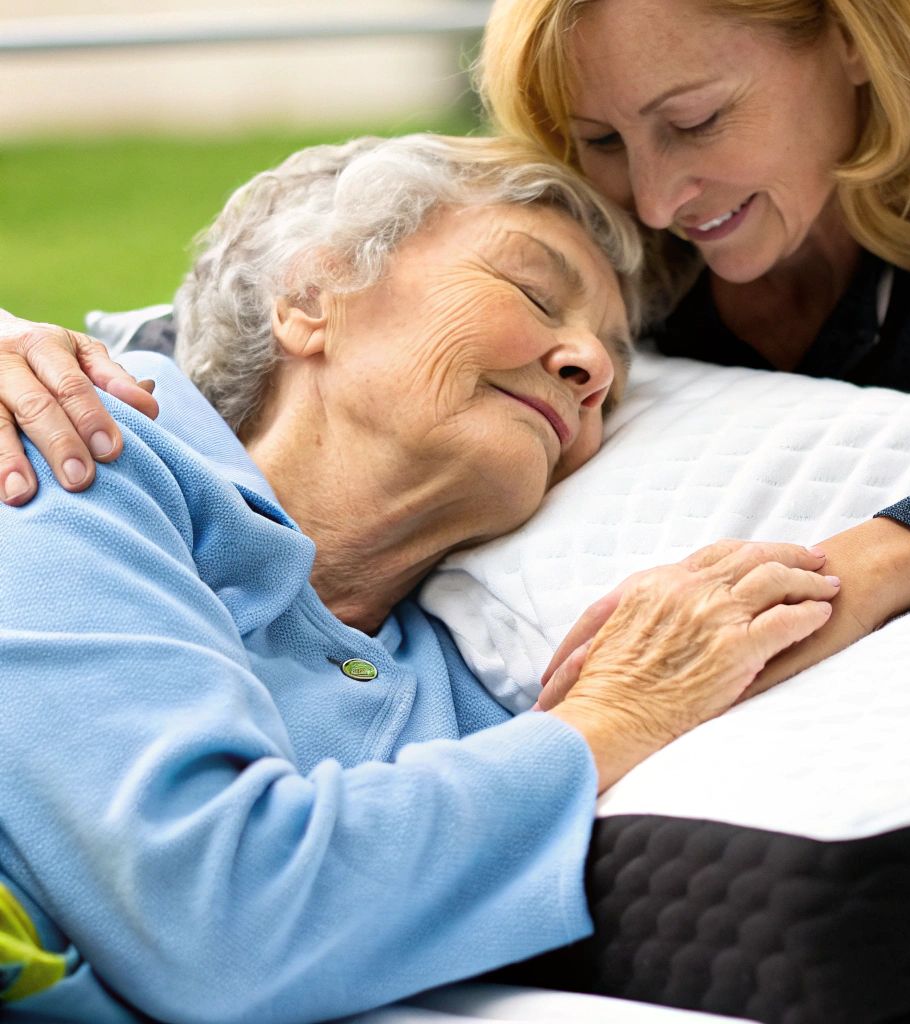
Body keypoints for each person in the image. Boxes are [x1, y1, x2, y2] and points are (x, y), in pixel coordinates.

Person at [0, 0, 910, 691]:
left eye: (696, 120)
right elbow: (310, 297)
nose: (658, 199)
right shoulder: (594, 200)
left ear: (849, 37)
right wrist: (28, 349)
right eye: (607, 140)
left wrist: (858, 567)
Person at [0, 133, 845, 1023]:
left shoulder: (470, 690)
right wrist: (615, 718)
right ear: (311, 297)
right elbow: (218, 917)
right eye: (533, 293)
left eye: (615, 371)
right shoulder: (76, 445)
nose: (592, 369)